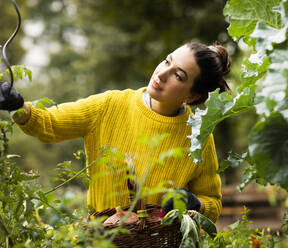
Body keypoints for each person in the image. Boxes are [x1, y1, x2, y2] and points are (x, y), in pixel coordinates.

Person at [0, 42, 231, 222]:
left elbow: (212, 203)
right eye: (166, 61)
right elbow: (47, 124)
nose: (161, 74)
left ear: (191, 97)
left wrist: (194, 203)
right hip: (100, 239)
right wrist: (17, 107)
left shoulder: (199, 136)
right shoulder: (110, 105)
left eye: (178, 76)